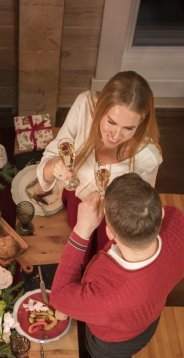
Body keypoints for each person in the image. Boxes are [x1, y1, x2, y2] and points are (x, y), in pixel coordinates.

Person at [50, 173, 184, 358]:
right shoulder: (178, 222)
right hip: (150, 316)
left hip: (113, 345)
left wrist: (82, 230)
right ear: (161, 212)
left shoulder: (106, 296)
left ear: (108, 233)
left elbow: (59, 297)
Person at [37, 71, 162, 250]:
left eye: (128, 128)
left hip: (110, 225)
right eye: (111, 122)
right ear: (100, 108)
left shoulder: (148, 157)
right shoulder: (85, 106)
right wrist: (54, 166)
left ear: (141, 124)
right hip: (75, 204)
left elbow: (143, 208)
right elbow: (49, 160)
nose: (116, 135)